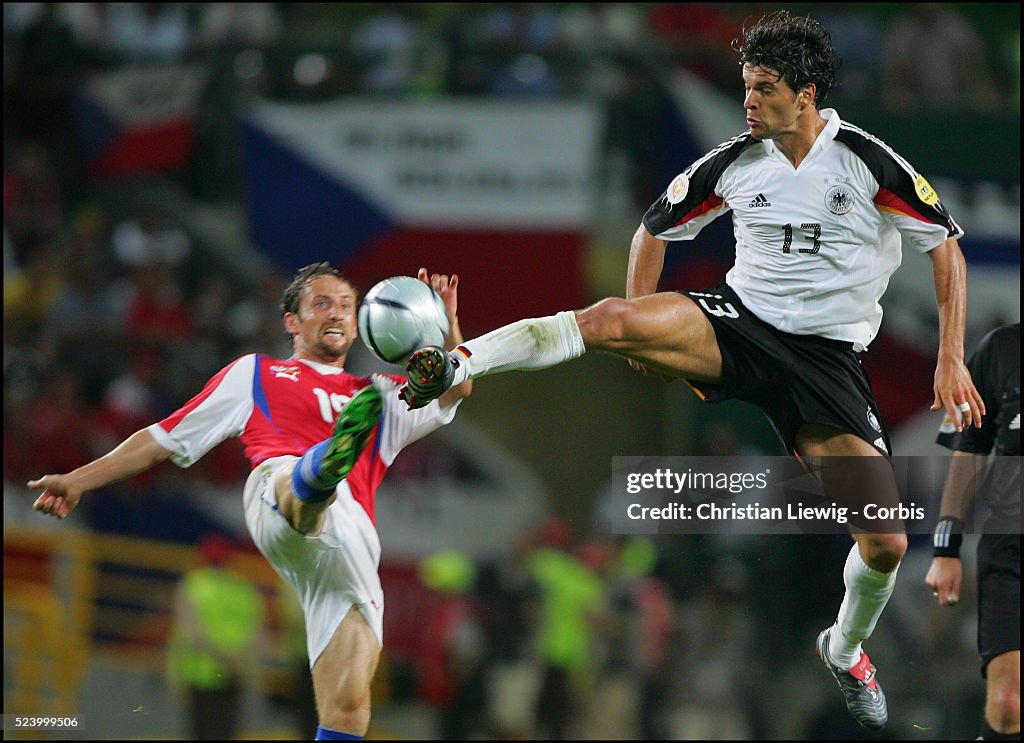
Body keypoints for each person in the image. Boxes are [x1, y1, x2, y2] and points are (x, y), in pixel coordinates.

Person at [399, 9, 983, 731]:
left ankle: (844, 646)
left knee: (887, 541)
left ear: (803, 93)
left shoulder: (867, 160)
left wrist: (951, 355)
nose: (747, 100)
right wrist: (644, 324)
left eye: (762, 87)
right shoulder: (735, 161)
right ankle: (460, 357)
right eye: (744, 86)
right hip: (738, 325)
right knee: (610, 318)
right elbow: (654, 226)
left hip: (828, 360)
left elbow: (946, 246)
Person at [29, 262, 472, 740]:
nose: (337, 313)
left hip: (346, 553)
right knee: (296, 484)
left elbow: (457, 388)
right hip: (282, 506)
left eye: (347, 305)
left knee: (348, 713)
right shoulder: (256, 374)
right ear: (291, 321)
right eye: (322, 303)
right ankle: (317, 472)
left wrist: (444, 327)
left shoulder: (381, 394)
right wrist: (78, 479)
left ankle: (321, 471)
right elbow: (162, 437)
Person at [926, 322, 1019, 740]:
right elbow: (968, 451)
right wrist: (946, 548)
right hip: (1009, 542)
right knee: (1007, 706)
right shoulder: (999, 349)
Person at [167, 532, 265, 740]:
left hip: (201, 675)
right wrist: (239, 663)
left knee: (202, 732)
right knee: (227, 732)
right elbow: (256, 634)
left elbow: (192, 635)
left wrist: (175, 678)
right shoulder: (245, 590)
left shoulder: (194, 585)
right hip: (236, 674)